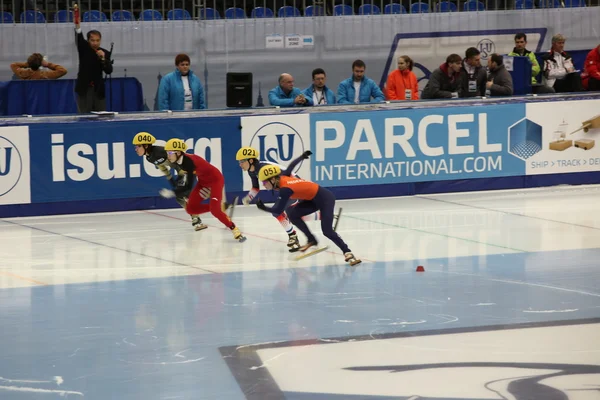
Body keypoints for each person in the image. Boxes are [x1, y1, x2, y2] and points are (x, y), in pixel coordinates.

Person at [255, 159, 361, 266]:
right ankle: (312, 239)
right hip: (312, 199)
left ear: (273, 179)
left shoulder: (285, 189)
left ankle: (347, 252)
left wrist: (263, 207)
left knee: (327, 231)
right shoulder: (282, 177)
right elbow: (290, 167)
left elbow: (278, 210)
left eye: (264, 182)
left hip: (325, 199)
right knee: (293, 215)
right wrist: (302, 156)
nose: (263, 185)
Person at [164, 138, 246, 242]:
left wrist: (173, 192)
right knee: (190, 209)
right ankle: (219, 207)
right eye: (167, 152)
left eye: (170, 152)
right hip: (203, 182)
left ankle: (234, 229)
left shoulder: (189, 163)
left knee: (215, 211)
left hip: (215, 180)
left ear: (179, 152)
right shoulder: (179, 160)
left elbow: (188, 187)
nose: (168, 155)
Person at [132, 132, 207, 231]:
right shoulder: (149, 157)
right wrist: (171, 180)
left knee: (185, 195)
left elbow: (178, 158)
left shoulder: (159, 151)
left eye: (138, 146)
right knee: (179, 198)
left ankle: (198, 219)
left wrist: (182, 172)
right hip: (181, 170)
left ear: (146, 145)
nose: (136, 149)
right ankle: (196, 218)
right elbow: (162, 167)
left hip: (186, 167)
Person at [235, 146, 301, 252]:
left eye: (242, 161)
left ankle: (293, 237)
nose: (240, 164)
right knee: (293, 215)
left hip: (293, 185)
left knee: (277, 211)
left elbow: (286, 175)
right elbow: (256, 188)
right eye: (239, 162)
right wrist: (248, 198)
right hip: (288, 187)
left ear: (251, 160)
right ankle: (325, 216)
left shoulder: (263, 168)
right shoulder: (252, 171)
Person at [74, 19, 113, 113]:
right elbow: (79, 36)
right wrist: (77, 25)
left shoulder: (105, 53)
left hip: (98, 90)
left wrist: (103, 58)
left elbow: (109, 70)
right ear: (88, 41)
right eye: (92, 40)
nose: (95, 43)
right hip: (84, 89)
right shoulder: (83, 48)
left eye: (97, 40)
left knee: (101, 116)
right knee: (84, 116)